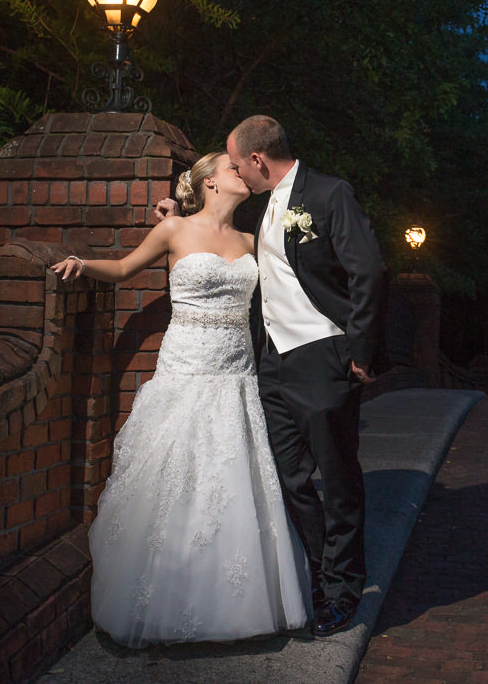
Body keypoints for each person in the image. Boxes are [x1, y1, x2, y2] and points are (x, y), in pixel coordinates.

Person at [51, 151, 310, 648]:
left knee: (230, 479)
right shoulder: (174, 230)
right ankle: (168, 593)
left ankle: (233, 603)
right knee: (177, 476)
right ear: (209, 181)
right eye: (232, 167)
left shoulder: (254, 241)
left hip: (235, 375)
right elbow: (126, 267)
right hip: (185, 367)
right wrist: (82, 265)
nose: (242, 171)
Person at [157, 115, 386, 637]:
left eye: (238, 163)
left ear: (257, 160)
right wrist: (177, 212)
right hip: (272, 365)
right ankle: (316, 579)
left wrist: (361, 352)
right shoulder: (262, 209)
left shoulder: (329, 195)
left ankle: (344, 588)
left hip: (324, 358)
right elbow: (220, 238)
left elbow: (368, 271)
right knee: (289, 481)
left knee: (338, 476)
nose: (236, 171)